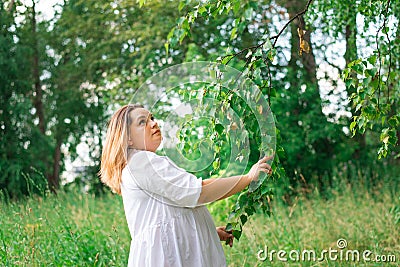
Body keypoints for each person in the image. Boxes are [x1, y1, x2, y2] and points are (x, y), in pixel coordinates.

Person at [100, 104, 272, 267]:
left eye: (152, 118)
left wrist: (209, 231)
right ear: (128, 138)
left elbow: (182, 200)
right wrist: (248, 178)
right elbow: (201, 192)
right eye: (143, 122)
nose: (153, 123)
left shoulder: (142, 164)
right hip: (167, 255)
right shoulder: (142, 162)